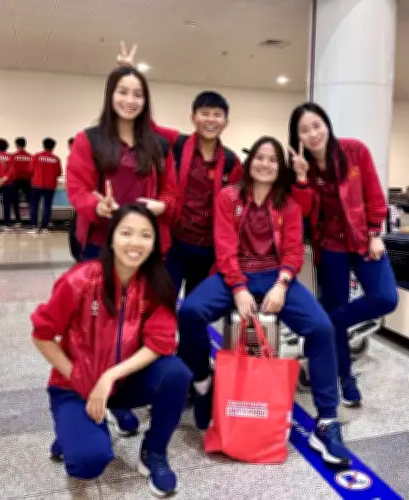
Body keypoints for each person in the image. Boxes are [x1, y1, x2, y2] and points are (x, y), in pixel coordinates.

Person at [177, 136, 353, 466]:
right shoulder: (229, 197)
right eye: (260, 157)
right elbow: (224, 247)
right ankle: (202, 382)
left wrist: (282, 284)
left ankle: (326, 422)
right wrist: (238, 287)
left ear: (280, 167)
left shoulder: (289, 204)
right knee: (189, 312)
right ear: (250, 161)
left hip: (275, 275)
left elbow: (293, 251)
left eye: (273, 160)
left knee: (322, 328)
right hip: (234, 272)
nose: (265, 164)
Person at [31, 203, 191, 497]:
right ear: (112, 238)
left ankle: (154, 453)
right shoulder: (80, 279)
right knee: (88, 461)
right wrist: (79, 377)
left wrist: (109, 376)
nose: (135, 242)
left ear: (154, 243)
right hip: (74, 384)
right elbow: (41, 335)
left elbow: (160, 343)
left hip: (122, 383)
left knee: (177, 373)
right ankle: (70, 430)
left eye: (145, 235)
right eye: (126, 233)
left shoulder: (156, 284)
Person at [66, 63, 178, 435]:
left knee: (136, 326)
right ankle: (89, 398)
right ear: (110, 95)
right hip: (101, 246)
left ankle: (121, 396)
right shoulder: (90, 139)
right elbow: (78, 188)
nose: (130, 100)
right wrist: (97, 206)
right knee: (97, 326)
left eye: (137, 93)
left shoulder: (158, 144)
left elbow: (172, 193)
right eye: (122, 91)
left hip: (144, 250)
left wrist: (162, 206)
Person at [288, 102, 398, 407]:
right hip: (330, 247)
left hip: (363, 239)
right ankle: (345, 378)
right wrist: (300, 178)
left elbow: (374, 194)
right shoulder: (300, 168)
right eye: (304, 130)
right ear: (297, 137)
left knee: (385, 298)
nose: (313, 134)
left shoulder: (354, 151)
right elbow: (302, 212)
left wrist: (375, 233)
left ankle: (328, 322)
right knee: (335, 302)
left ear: (327, 125)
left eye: (317, 126)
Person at [151, 91, 244, 298]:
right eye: (204, 113)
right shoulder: (176, 143)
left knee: (195, 309)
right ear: (193, 118)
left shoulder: (232, 162)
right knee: (163, 302)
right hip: (173, 244)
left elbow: (236, 208)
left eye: (217, 115)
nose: (211, 119)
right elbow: (148, 126)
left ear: (226, 122)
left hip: (208, 251)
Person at [28, 137, 62, 234]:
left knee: (34, 205)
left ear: (43, 145)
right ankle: (44, 227)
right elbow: (59, 173)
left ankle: (33, 225)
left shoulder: (36, 156)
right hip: (50, 186)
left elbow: (30, 170)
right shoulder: (56, 159)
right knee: (47, 206)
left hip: (36, 185)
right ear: (53, 147)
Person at [11, 137, 32, 226]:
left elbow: (10, 169)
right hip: (27, 180)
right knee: (30, 201)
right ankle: (32, 220)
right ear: (25, 144)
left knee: (15, 200)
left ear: (16, 145)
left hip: (15, 180)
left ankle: (18, 221)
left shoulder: (13, 156)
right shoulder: (30, 156)